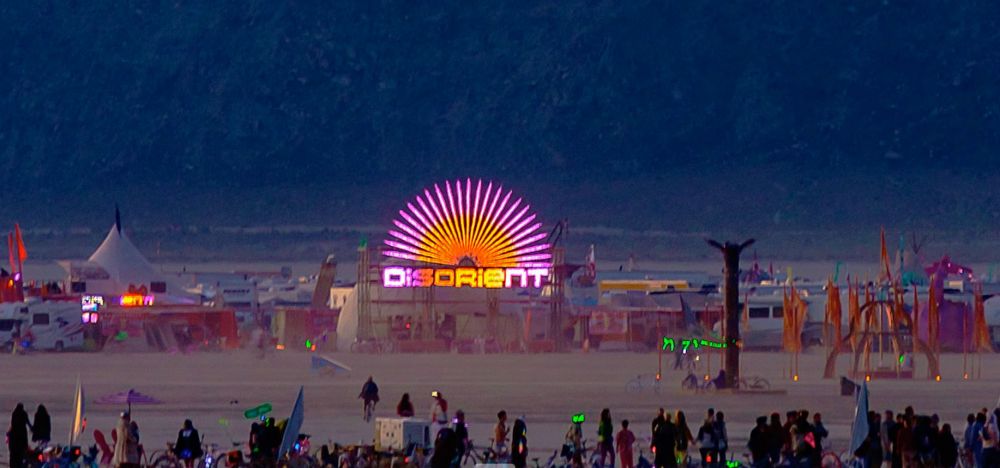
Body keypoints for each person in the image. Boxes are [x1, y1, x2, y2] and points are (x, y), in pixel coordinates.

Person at [7, 403, 31, 468]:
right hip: (22, 436)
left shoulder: (14, 413)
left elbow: (13, 423)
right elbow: (28, 422)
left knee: (13, 455)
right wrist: (32, 428)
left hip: (14, 437)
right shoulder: (24, 414)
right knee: (21, 454)